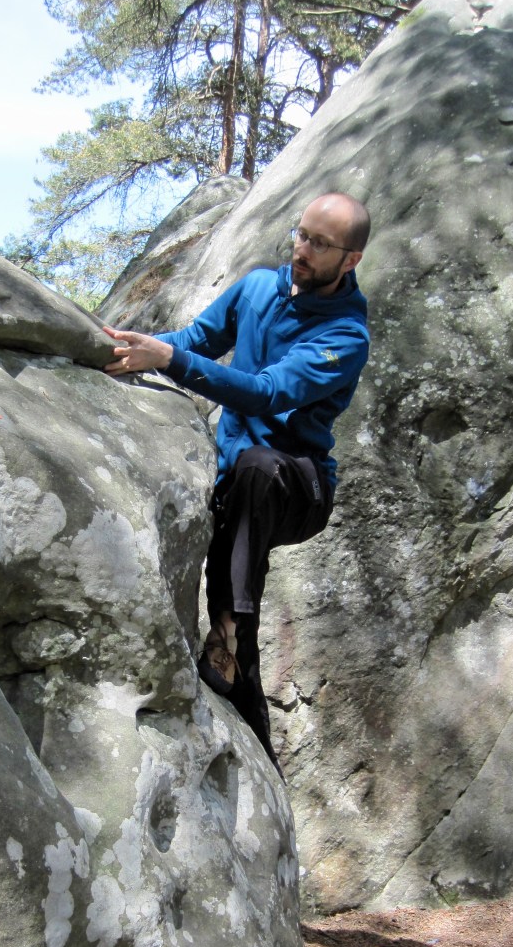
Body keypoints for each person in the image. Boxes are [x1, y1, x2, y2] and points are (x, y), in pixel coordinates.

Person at [103, 192, 371, 773]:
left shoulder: (347, 336)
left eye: (319, 244)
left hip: (298, 486)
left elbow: (270, 391)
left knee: (257, 466)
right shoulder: (256, 288)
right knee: (238, 631)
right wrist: (128, 348)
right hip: (239, 481)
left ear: (349, 260)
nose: (301, 249)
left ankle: (224, 633)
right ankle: (254, 738)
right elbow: (196, 338)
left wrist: (168, 362)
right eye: (300, 234)